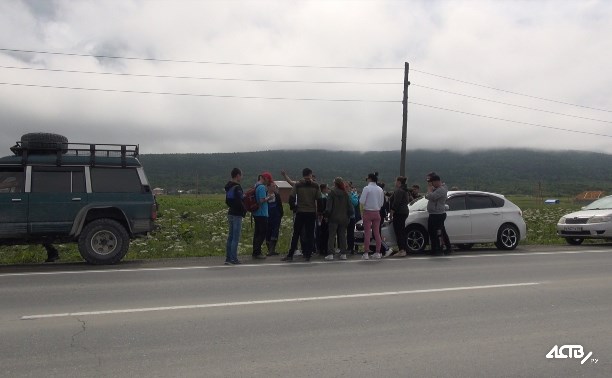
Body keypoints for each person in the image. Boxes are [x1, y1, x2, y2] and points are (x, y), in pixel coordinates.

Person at [281, 168, 322, 262]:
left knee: (296, 234)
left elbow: (291, 197)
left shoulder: (298, 184)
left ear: (303, 174)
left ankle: (290, 255)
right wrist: (319, 212)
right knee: (310, 234)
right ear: (310, 174)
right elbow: (319, 200)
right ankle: (308, 255)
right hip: (311, 212)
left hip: (300, 212)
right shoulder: (316, 185)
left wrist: (294, 208)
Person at [324, 177, 354, 261]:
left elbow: (328, 208)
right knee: (342, 236)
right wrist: (348, 216)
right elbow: (351, 209)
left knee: (332, 236)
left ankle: (330, 254)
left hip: (333, 218)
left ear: (335, 184)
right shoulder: (346, 194)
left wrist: (326, 216)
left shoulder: (331, 193)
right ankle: (343, 253)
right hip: (344, 219)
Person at [359, 172, 385, 259]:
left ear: (369, 179)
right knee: (377, 233)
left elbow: (362, 201)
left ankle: (366, 253)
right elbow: (381, 203)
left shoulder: (366, 188)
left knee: (367, 233)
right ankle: (378, 252)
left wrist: (362, 211)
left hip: (367, 212)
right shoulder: (380, 189)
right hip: (377, 212)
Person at [224, 167, 246, 265]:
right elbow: (240, 201)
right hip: (237, 214)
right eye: (241, 175)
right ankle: (234, 259)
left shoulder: (228, 186)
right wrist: (244, 210)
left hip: (230, 212)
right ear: (237, 176)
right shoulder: (237, 187)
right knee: (235, 238)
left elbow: (227, 201)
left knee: (230, 236)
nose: (242, 177)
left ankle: (228, 258)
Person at [251, 172, 274, 259]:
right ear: (265, 178)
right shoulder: (261, 187)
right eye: (268, 180)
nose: (268, 182)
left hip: (256, 213)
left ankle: (256, 251)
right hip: (262, 213)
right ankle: (257, 252)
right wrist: (269, 197)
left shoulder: (256, 185)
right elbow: (261, 200)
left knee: (257, 233)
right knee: (262, 233)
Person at [425, 173, 449, 255]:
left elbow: (432, 197)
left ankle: (439, 249)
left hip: (438, 214)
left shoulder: (441, 189)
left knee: (438, 233)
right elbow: (427, 196)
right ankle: (435, 249)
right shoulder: (436, 189)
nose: (431, 184)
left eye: (432, 182)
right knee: (432, 232)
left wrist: (429, 189)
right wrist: (430, 192)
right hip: (433, 213)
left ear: (436, 182)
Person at [387, 176, 410, 257]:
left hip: (399, 212)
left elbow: (396, 202)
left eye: (396, 181)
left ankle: (402, 250)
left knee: (399, 231)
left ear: (399, 182)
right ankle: (403, 249)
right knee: (401, 231)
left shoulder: (399, 191)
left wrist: (392, 212)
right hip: (404, 212)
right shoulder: (404, 190)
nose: (395, 182)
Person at [265, 182, 284, 256]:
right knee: (268, 233)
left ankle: (272, 250)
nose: (274, 188)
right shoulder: (265, 195)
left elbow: (280, 205)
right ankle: (269, 250)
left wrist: (280, 214)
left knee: (275, 232)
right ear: (268, 187)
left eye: (275, 186)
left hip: (276, 216)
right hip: (267, 216)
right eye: (273, 186)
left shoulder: (277, 195)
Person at [316, 183, 330, 256]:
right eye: (327, 188)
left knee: (323, 233)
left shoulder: (325, 196)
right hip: (324, 217)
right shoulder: (322, 197)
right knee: (324, 233)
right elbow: (323, 209)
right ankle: (323, 249)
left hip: (323, 217)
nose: (328, 189)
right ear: (324, 189)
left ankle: (323, 248)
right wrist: (325, 216)